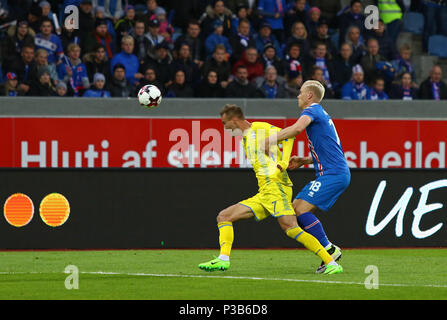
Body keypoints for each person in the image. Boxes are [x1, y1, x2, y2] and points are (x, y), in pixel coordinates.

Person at [198, 104, 343, 274]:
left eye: (225, 123)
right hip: (265, 192)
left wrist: (283, 162)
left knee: (291, 228)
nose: (224, 127)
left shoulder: (259, 128)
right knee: (224, 216)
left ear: (234, 120)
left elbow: (289, 137)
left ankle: (330, 261)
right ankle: (223, 260)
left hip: (276, 188)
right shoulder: (245, 138)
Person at [262, 80, 349, 273]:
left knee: (298, 210)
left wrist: (268, 140)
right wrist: (305, 160)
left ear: (310, 95)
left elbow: (295, 129)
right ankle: (329, 250)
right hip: (334, 171)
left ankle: (329, 250)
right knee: (297, 209)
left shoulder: (312, 110)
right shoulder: (322, 114)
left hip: (333, 174)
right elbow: (331, 151)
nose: (298, 96)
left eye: (301, 93)